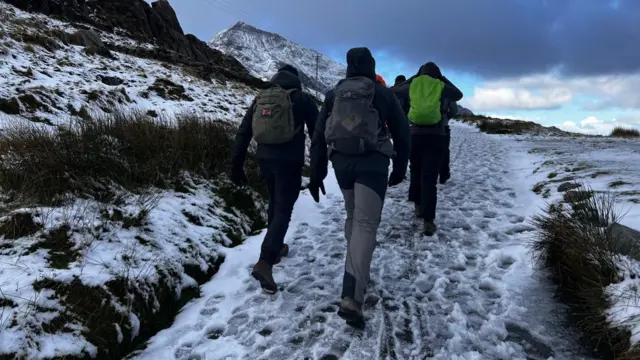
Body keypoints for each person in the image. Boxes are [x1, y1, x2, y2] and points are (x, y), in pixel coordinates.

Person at [309, 47, 410, 329]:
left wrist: (316, 173)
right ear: (371, 66)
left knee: (353, 217)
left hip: (341, 163)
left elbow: (318, 136)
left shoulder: (334, 94)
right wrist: (400, 167)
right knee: (366, 224)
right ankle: (352, 297)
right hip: (373, 164)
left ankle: (357, 272)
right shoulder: (382, 93)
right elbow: (403, 133)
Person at [230, 64, 319, 294]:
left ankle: (276, 246)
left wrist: (236, 164)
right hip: (289, 162)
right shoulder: (303, 99)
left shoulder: (261, 98)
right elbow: (317, 137)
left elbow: (244, 131)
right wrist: (319, 170)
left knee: (274, 203)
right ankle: (266, 261)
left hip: (264, 160)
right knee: (283, 210)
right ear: (296, 79)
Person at [394, 62, 463, 236]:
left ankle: (417, 204)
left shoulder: (413, 85)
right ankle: (428, 220)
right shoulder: (440, 85)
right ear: (438, 74)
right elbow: (458, 95)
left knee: (415, 170)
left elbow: (393, 91)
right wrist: (442, 79)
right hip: (436, 136)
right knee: (430, 178)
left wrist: (413, 78)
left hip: (414, 135)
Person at [439, 100, 458, 184]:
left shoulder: (418, 88)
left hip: (420, 126)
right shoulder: (445, 89)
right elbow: (454, 110)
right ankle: (443, 175)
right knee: (444, 151)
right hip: (442, 125)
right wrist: (446, 117)